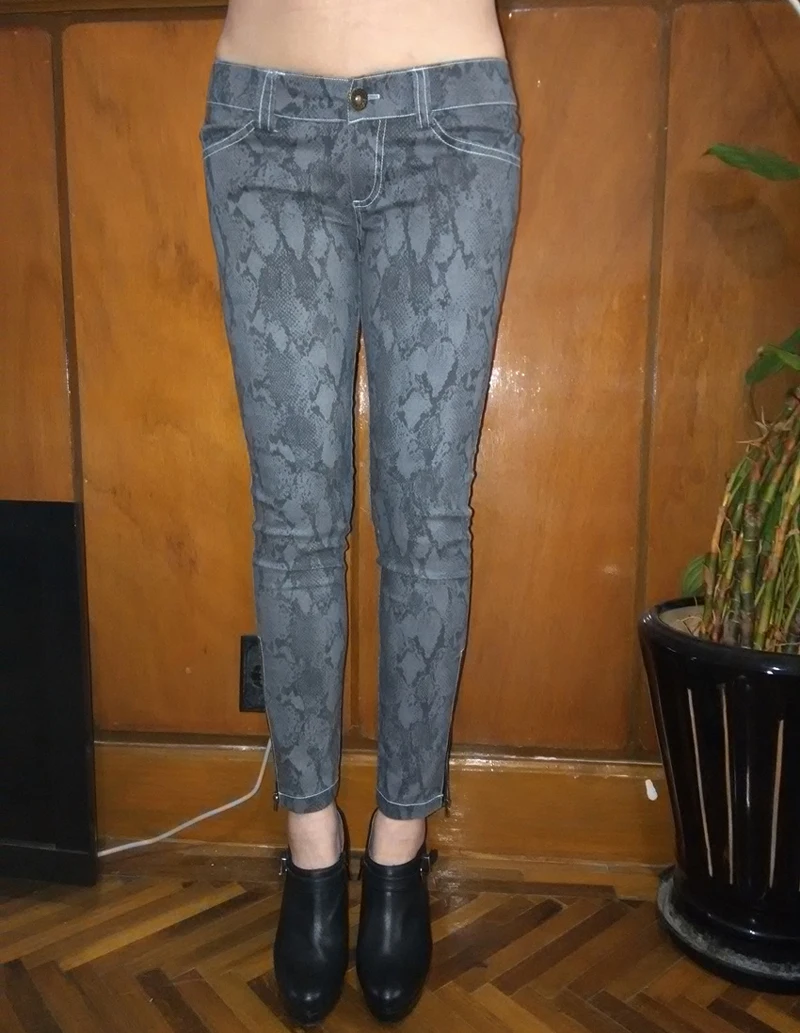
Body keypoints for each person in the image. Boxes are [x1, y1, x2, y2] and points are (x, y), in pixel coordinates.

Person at [199, 0, 522, 1023]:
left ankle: (397, 848)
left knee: (426, 520)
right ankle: (310, 845)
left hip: (450, 123)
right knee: (294, 520)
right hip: (263, 125)